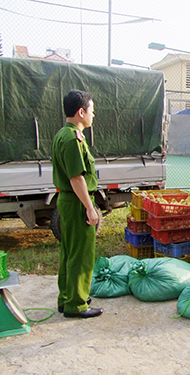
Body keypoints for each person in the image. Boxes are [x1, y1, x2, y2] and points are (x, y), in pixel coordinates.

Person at [51, 89, 103, 319]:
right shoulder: (73, 138)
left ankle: (67, 297)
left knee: (69, 252)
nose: (94, 115)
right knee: (81, 253)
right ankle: (77, 304)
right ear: (81, 112)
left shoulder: (63, 134)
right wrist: (90, 208)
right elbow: (77, 178)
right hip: (76, 201)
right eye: (91, 110)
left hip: (68, 200)